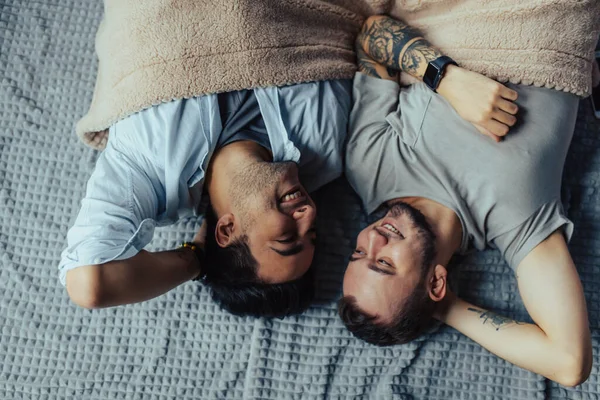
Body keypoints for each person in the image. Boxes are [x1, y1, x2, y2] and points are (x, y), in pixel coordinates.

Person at [338, 15, 592, 386]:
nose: (372, 238)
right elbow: (569, 364)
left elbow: (372, 37)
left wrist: (446, 78)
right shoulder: (515, 221)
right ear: (436, 283)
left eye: (357, 254)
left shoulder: (367, 168)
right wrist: (445, 307)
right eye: (384, 263)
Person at [61, 80, 351, 317]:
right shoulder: (326, 149)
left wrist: (197, 257)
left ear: (226, 230)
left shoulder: (152, 167)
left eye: (287, 237)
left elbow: (90, 284)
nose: (310, 213)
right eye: (312, 232)